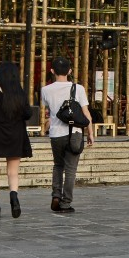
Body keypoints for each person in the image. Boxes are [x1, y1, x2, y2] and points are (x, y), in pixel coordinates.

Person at [40, 56, 92, 214]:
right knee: (70, 169)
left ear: (51, 71)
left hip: (56, 134)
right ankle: (65, 203)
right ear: (70, 71)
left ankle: (56, 194)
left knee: (58, 165)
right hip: (74, 133)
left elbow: (49, 112)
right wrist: (90, 132)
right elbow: (85, 113)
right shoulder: (79, 89)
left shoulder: (45, 90)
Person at [0, 60, 33, 218]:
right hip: (15, 135)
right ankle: (13, 196)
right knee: (13, 172)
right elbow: (28, 114)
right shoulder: (20, 93)